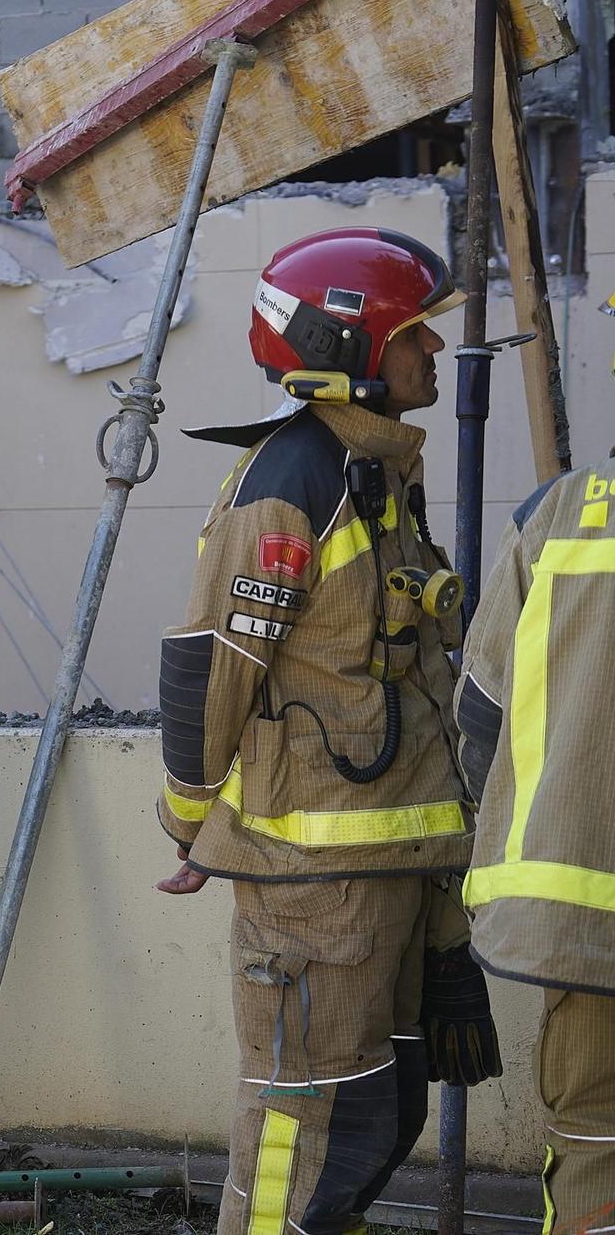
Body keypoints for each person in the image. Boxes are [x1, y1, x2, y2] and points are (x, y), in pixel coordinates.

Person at [153, 229, 500, 1231]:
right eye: (413, 336)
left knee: (371, 1120)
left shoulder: (376, 473)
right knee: (297, 1127)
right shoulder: (289, 480)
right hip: (309, 895)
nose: (433, 354)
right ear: (346, 346)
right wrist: (185, 824)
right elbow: (212, 663)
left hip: (388, 872)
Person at [455, 460, 615, 1229]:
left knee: (594, 1140)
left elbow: (480, 713)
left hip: (584, 922)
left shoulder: (559, 510)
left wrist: (541, 816)